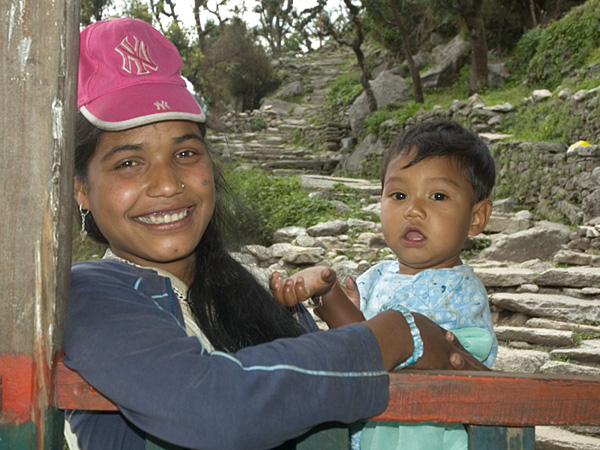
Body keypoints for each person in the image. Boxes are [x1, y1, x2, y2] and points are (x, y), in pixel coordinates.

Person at [63, 18, 488, 450]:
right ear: (80, 187)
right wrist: (396, 333)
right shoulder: (87, 296)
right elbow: (215, 407)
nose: (168, 184)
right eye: (128, 163)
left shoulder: (255, 293)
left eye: (185, 152)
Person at [270, 120, 498, 450]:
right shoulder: (376, 277)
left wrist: (332, 297)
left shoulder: (461, 292)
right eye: (399, 195)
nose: (413, 210)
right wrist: (328, 294)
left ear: (476, 217)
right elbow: (355, 341)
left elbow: (374, 348)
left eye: (438, 196)